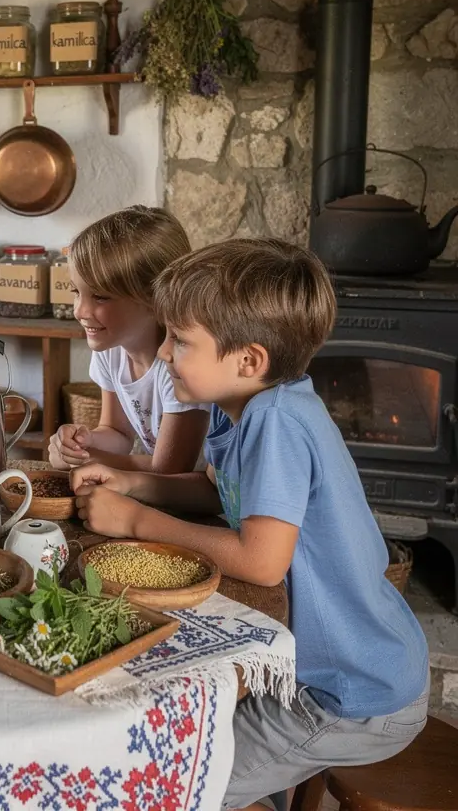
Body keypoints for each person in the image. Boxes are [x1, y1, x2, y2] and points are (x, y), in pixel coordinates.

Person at [74, 238, 429, 811]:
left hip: (346, 694)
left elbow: (262, 560)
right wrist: (136, 485)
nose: (163, 353)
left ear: (248, 360)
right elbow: (221, 490)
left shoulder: (280, 422)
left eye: (180, 340)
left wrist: (138, 521)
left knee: (173, 784)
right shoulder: (242, 402)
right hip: (325, 675)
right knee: (176, 735)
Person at [48, 207, 209, 493]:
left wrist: (89, 459)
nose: (80, 311)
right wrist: (81, 443)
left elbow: (170, 470)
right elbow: (118, 432)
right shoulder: (111, 349)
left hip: (199, 502)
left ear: (154, 299)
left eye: (100, 296)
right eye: (76, 292)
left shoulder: (180, 366)